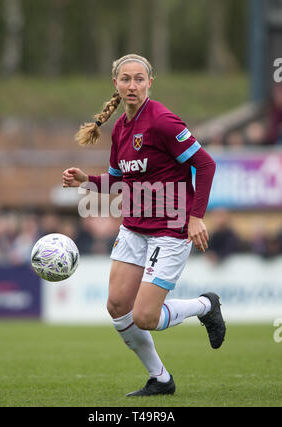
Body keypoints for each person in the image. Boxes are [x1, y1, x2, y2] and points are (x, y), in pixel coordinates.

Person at [62, 54, 226, 397]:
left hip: (170, 228)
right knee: (118, 307)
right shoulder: (120, 128)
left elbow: (205, 165)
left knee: (145, 317)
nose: (132, 85)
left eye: (139, 79)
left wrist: (196, 216)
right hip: (134, 227)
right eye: (126, 79)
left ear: (150, 82)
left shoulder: (163, 121)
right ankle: (160, 379)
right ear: (116, 84)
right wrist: (85, 181)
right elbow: (119, 180)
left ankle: (206, 306)